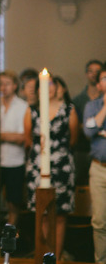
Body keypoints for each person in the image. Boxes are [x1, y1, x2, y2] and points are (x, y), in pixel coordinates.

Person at [25, 75, 77, 260]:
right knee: (43, 213)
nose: (48, 88)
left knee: (60, 213)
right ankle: (43, 254)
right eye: (43, 86)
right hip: (38, 166)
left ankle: (57, 255)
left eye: (51, 84)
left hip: (62, 166)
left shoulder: (69, 110)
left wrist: (58, 154)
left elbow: (73, 138)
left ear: (57, 87)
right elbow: (27, 139)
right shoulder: (32, 111)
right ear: (38, 90)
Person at [0, 70, 28, 228]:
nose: (4, 87)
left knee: (13, 201)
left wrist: (1, 136)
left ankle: (12, 233)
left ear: (15, 86)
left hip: (15, 160)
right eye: (1, 84)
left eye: (7, 84)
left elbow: (22, 137)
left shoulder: (22, 106)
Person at [84, 68, 106, 263]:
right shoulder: (92, 106)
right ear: (99, 85)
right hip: (99, 168)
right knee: (99, 221)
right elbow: (89, 131)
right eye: (105, 79)